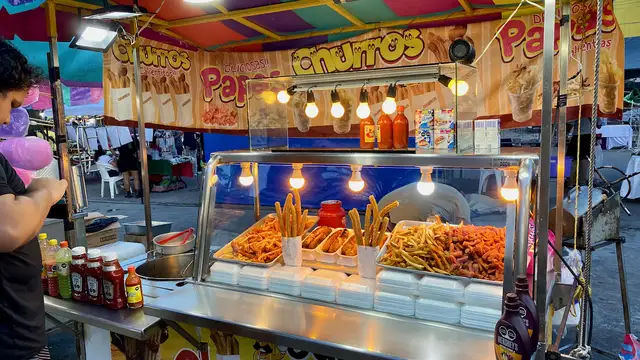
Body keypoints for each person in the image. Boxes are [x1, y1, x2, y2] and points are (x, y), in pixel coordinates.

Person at [0, 39, 68, 360]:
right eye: (11, 104)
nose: (6, 119)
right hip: (12, 342)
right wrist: (46, 192)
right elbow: (10, 227)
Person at [378, 181, 471, 226]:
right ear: (463, 193)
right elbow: (465, 230)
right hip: (390, 208)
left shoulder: (448, 194)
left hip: (385, 204)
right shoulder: (461, 202)